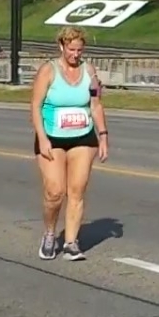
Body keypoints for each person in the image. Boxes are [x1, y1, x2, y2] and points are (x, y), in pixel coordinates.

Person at [28, 26, 108, 261]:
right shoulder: (48, 71)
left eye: (79, 50)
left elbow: (95, 105)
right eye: (71, 49)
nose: (75, 54)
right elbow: (35, 105)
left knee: (77, 190)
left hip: (83, 136)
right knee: (55, 191)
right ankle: (50, 233)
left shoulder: (89, 71)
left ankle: (72, 242)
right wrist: (42, 138)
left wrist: (103, 136)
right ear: (61, 46)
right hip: (52, 137)